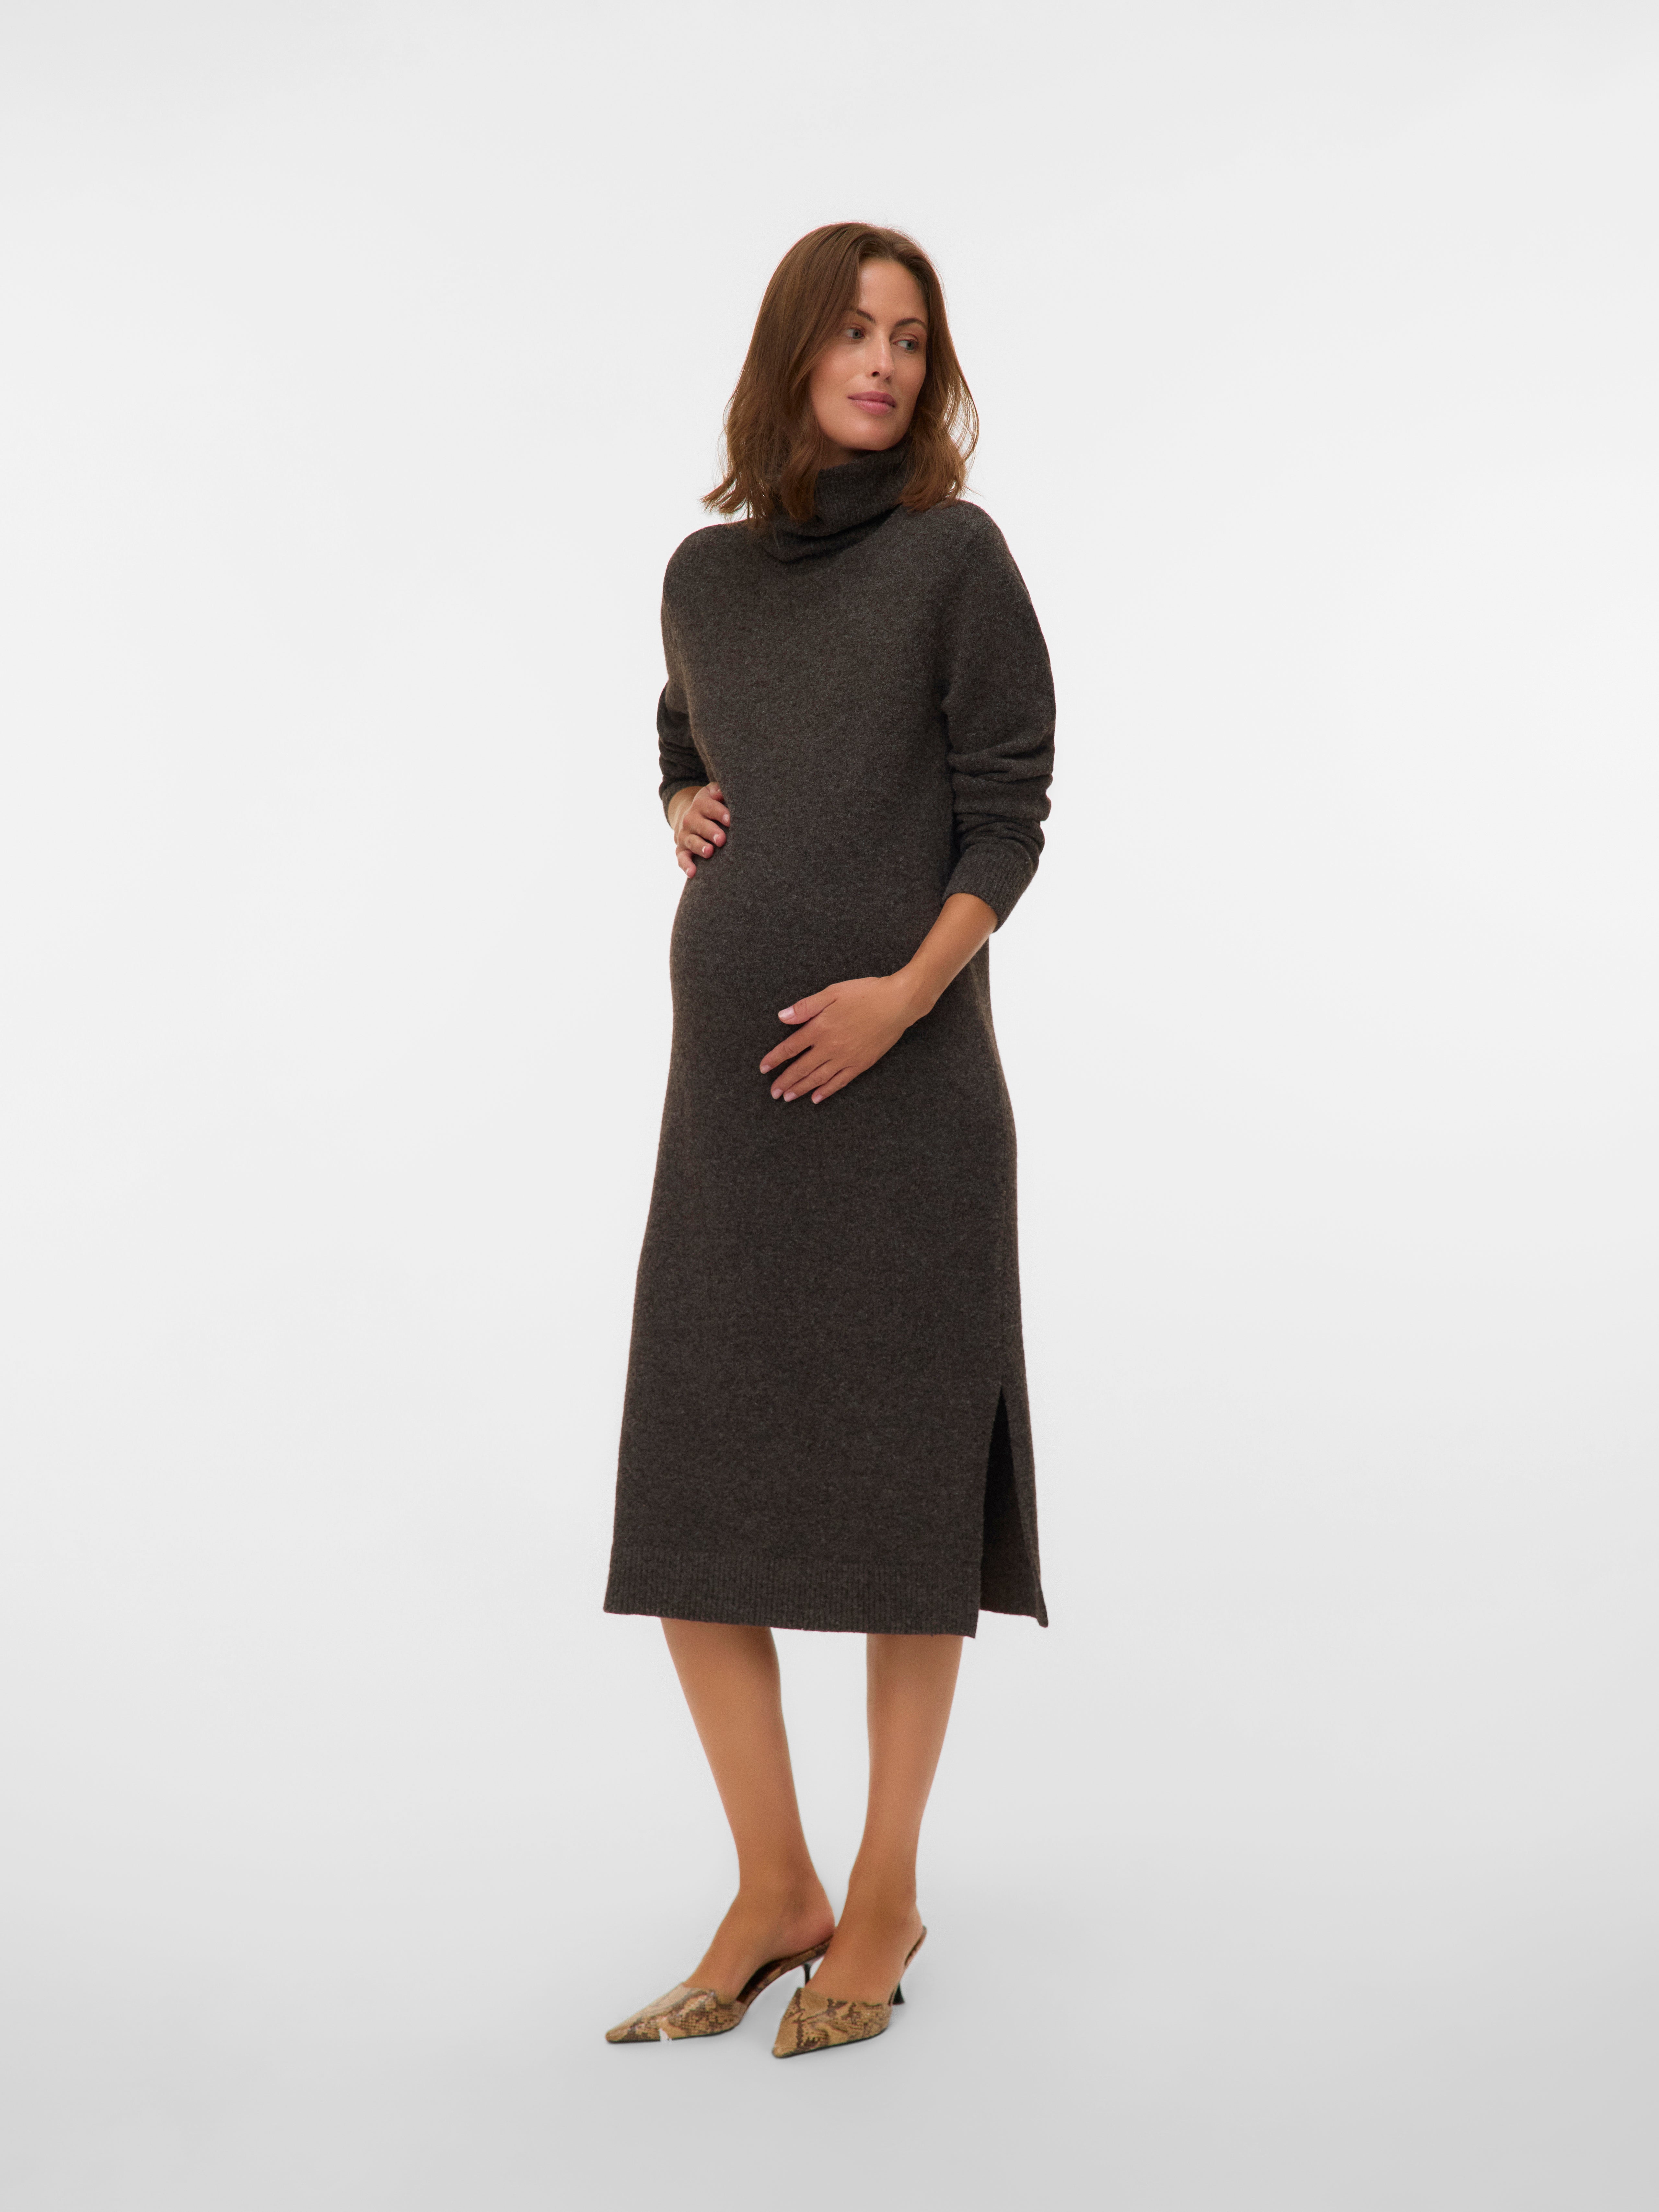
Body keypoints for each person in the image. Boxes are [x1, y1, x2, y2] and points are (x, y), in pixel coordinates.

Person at [603, 222, 1056, 2058]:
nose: (883, 362)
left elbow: (1009, 816)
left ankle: (883, 1892)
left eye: (911, 338)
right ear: (792, 350)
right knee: (691, 1506)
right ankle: (772, 1883)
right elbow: (682, 721)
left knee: (895, 1510)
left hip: (912, 1108)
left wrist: (902, 997)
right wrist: (681, 794)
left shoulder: (956, 557)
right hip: (729, 1117)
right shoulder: (702, 576)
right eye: (855, 331)